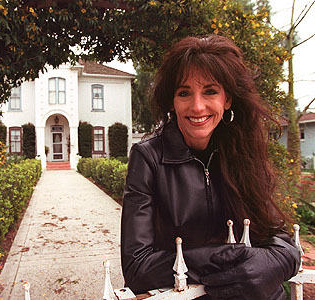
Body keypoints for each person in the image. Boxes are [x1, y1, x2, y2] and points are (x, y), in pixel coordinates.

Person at [121, 35, 301, 300]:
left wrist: (270, 262)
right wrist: (220, 257)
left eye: (210, 91)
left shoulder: (242, 149)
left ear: (227, 99)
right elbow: (137, 268)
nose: (197, 106)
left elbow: (282, 241)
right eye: (184, 93)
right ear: (172, 101)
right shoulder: (148, 158)